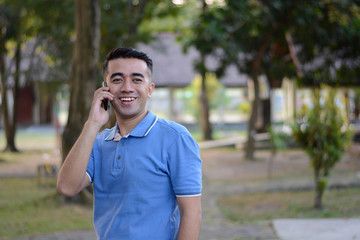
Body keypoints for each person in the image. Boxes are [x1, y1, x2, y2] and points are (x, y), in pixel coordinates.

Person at [57, 47, 202, 240]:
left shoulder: (175, 138)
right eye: (117, 79)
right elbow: (67, 187)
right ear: (105, 88)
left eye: (137, 79)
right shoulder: (98, 142)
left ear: (150, 89)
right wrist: (92, 124)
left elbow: (192, 213)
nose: (127, 87)